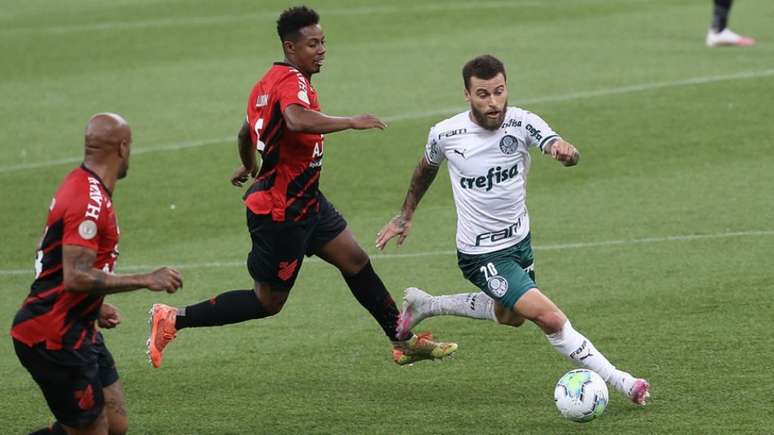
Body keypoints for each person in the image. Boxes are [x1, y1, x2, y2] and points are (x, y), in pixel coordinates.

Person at [147, 6, 456, 369]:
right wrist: (351, 122)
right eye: (313, 44)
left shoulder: (264, 84)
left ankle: (401, 340)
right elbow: (295, 120)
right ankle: (173, 318)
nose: (322, 49)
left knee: (355, 261)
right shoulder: (291, 83)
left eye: (323, 41)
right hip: (282, 212)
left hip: (307, 200)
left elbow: (246, 131)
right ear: (290, 48)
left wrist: (250, 165)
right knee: (268, 302)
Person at [375, 55, 651, 405]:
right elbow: (425, 168)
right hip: (481, 253)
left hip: (520, 242)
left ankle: (427, 304)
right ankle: (624, 382)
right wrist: (405, 214)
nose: (493, 103)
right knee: (549, 317)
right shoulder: (446, 133)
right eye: (483, 94)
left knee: (511, 317)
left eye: (499, 92)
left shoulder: (522, 122)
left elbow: (557, 144)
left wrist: (567, 153)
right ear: (467, 95)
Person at [10, 113, 183, 435]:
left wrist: (93, 304)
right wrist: (146, 279)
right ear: (122, 147)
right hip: (53, 335)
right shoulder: (88, 200)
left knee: (115, 425)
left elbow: (45, 252)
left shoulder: (84, 185)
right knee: (92, 431)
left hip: (77, 324)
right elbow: (75, 276)